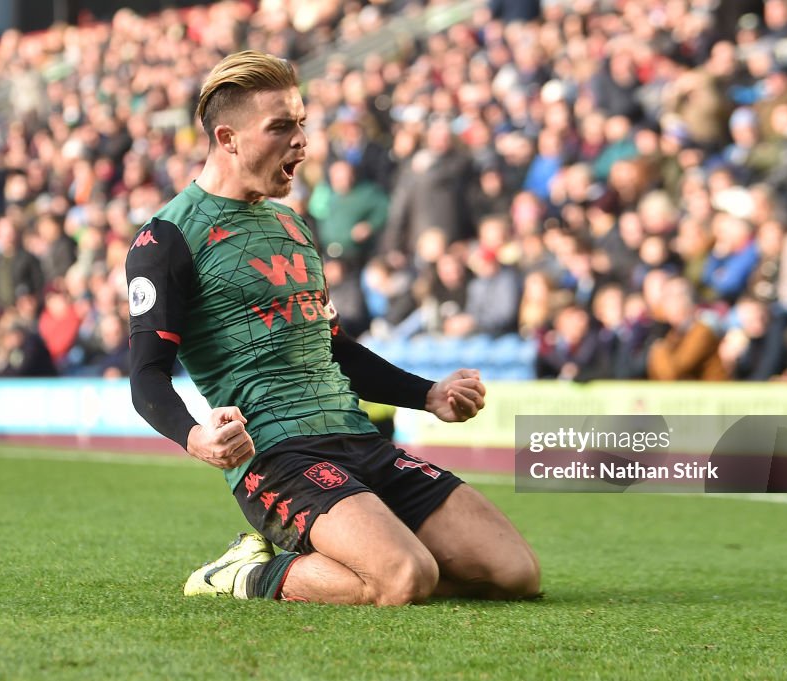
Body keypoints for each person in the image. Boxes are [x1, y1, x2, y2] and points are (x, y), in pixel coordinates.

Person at [124, 51, 539, 606]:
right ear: (227, 138)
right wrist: (195, 436)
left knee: (515, 574)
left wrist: (429, 395)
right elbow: (146, 375)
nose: (301, 141)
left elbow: (333, 348)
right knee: (405, 578)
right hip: (277, 454)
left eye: (301, 123)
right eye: (280, 127)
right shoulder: (168, 238)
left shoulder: (292, 223)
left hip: (358, 437)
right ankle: (243, 576)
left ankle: (369, 554)